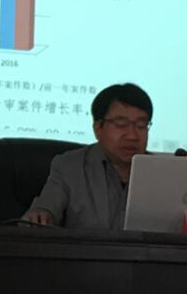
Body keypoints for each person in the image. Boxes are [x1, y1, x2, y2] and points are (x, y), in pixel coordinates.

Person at [23, 83, 153, 230]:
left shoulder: (163, 172)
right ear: (98, 129)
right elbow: (46, 207)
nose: (132, 136)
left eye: (141, 125)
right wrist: (41, 214)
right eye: (121, 124)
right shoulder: (69, 166)